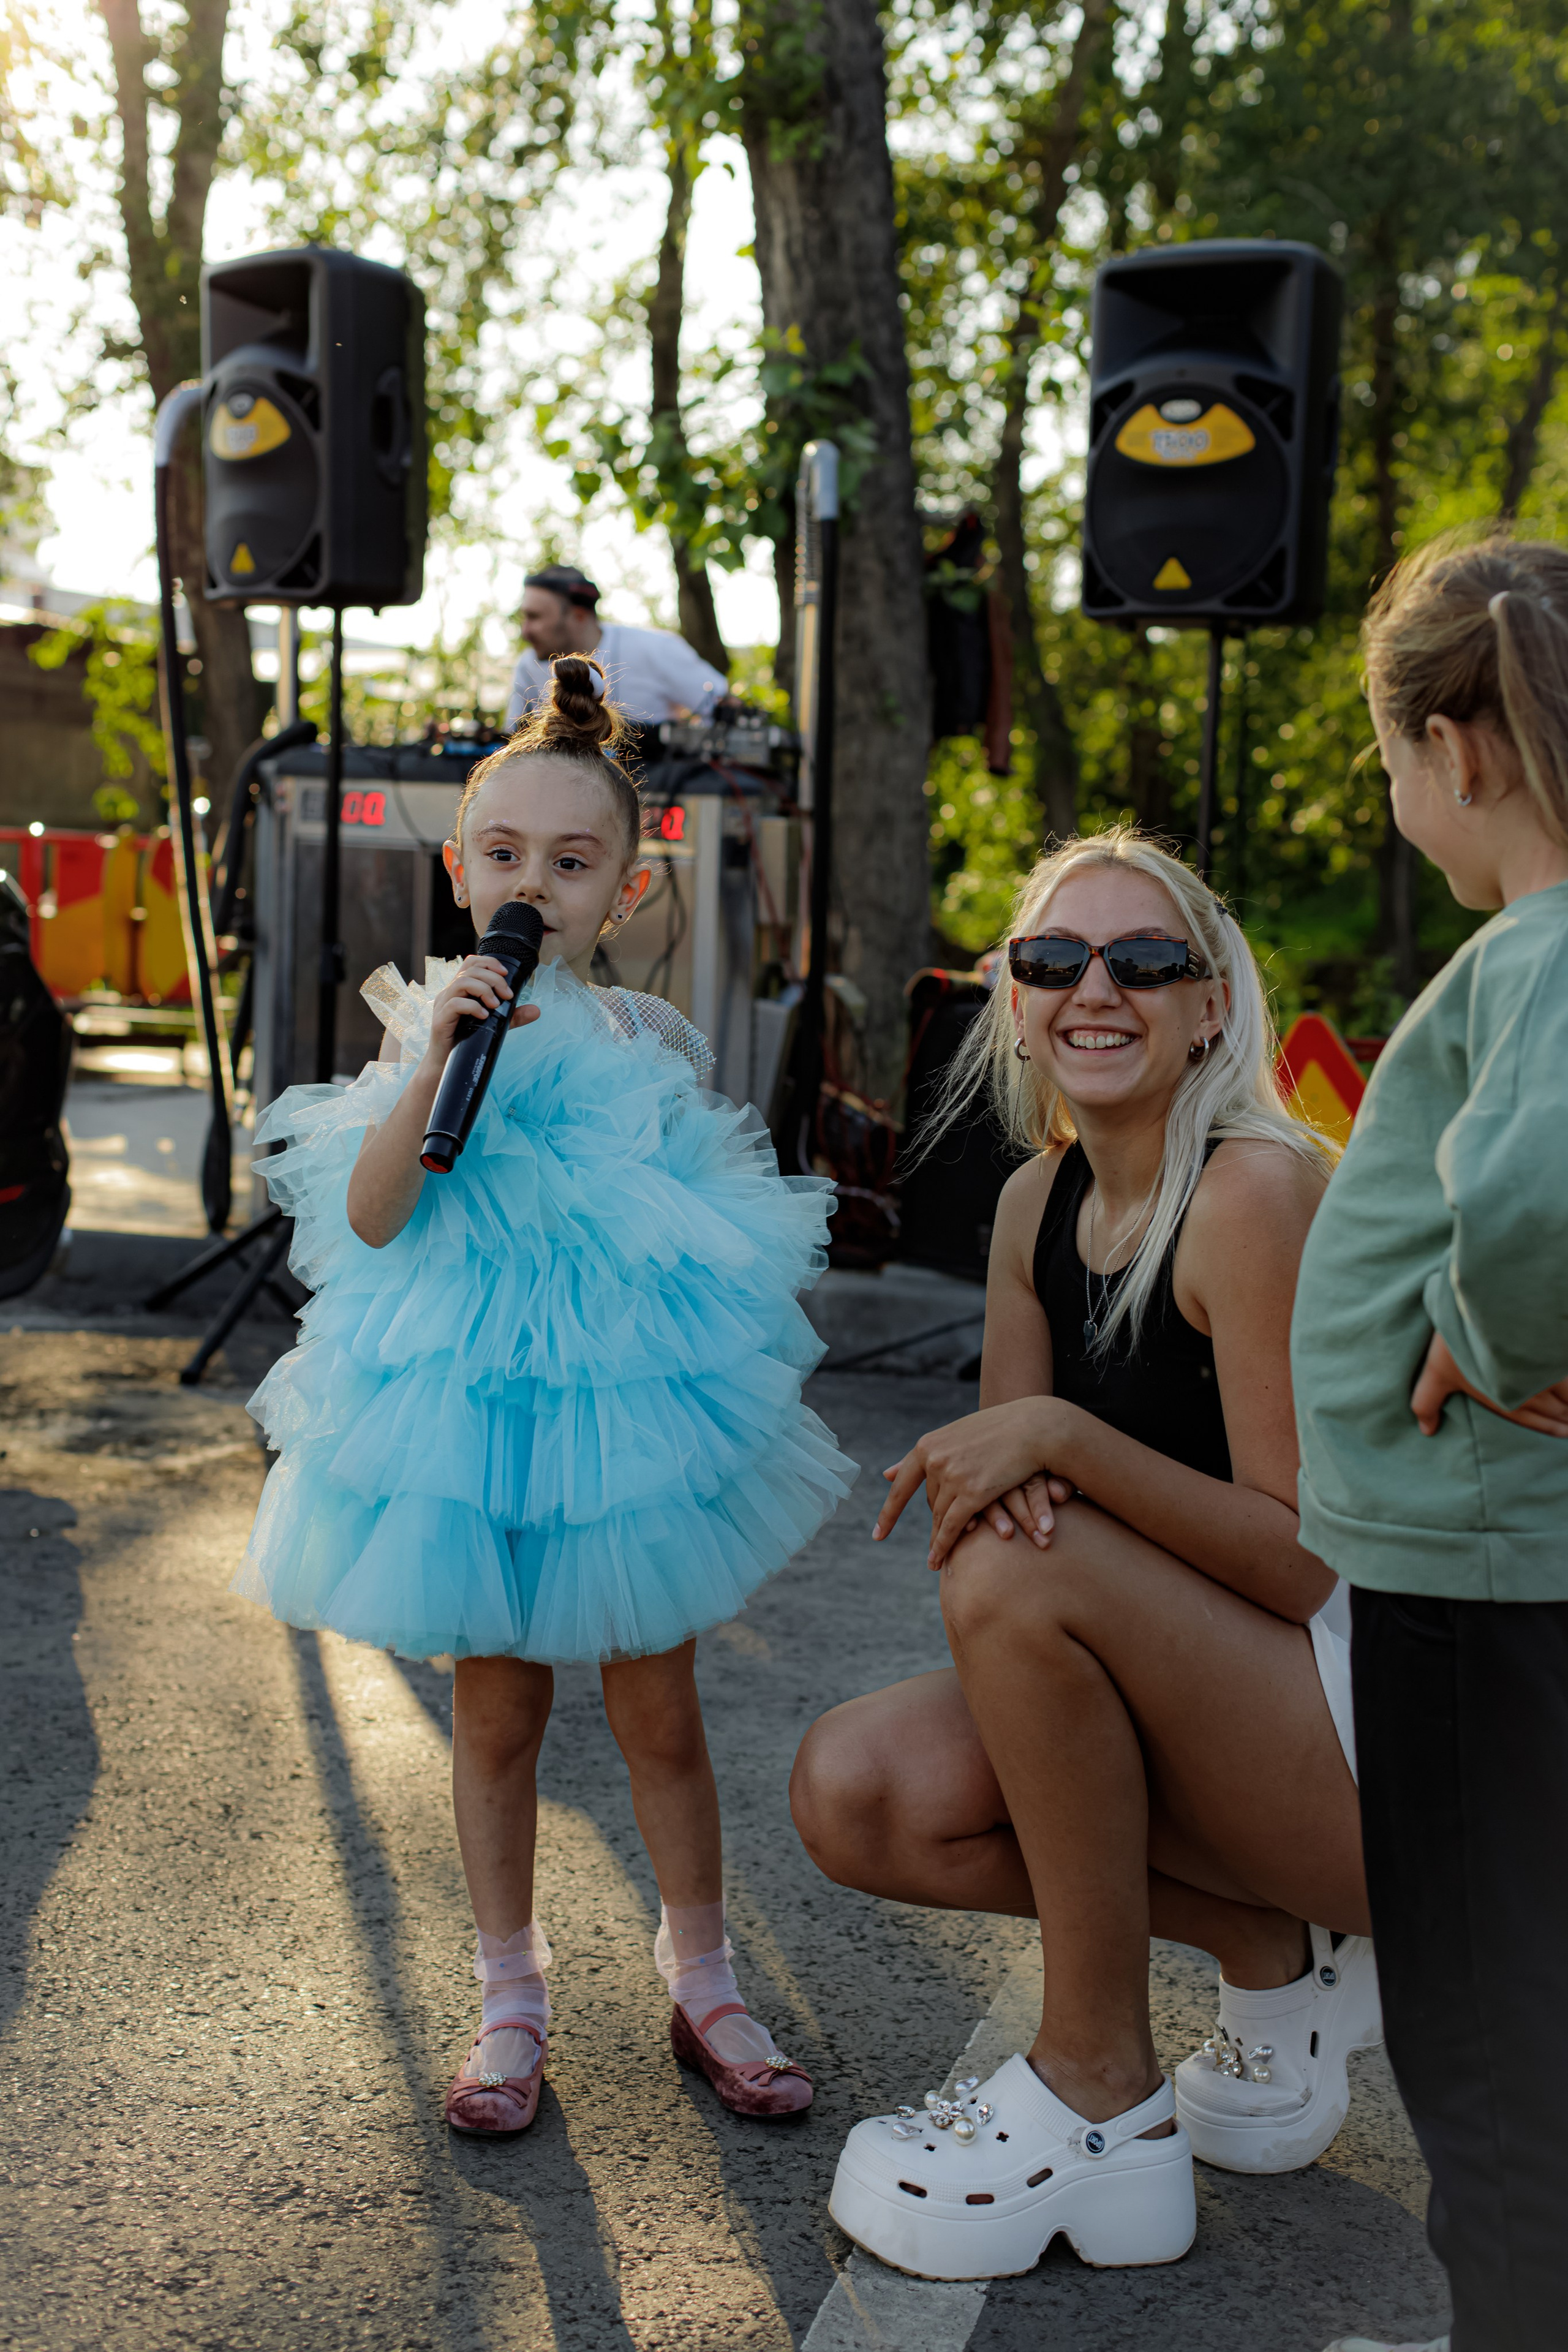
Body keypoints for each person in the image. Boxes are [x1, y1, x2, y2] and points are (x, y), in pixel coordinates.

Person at [233, 654, 854, 2138]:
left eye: (570, 864)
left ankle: (700, 1971)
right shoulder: (423, 1027)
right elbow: (374, 1217)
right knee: (496, 1717)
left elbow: (698, 1239)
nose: (534, 884)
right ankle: (508, 1990)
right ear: (458, 870)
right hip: (465, 1422)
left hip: (613, 1426)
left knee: (659, 1709)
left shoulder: (643, 1041)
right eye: (504, 855)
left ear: (622, 894)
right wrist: (434, 1060)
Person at [790, 826, 1377, 2284]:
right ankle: (1267, 1942)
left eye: (1141, 959)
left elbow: (1302, 1560)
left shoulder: (1248, 1190)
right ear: (1013, 1002)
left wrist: (1059, 1436)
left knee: (1022, 1571)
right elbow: (1000, 1516)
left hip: (1367, 1736)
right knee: (855, 1791)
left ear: (1209, 1005)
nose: (1091, 989)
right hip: (1199, 1701)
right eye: (1050, 961)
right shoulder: (1024, 1208)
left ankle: (1094, 2088)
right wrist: (1035, 1466)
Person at [1292, 535, 1568, 2352]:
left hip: (1472, 1578)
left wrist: (1484, 1331)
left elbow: (1536, 1189)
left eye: (1392, 764)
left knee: (1484, 2047)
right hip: (1502, 1564)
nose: (1401, 799)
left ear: (1457, 748)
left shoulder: (1535, 948)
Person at [505, 564, 728, 734]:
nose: (525, 631)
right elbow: (511, 738)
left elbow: (724, 709)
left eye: (534, 617)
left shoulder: (657, 648)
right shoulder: (528, 665)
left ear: (579, 616)